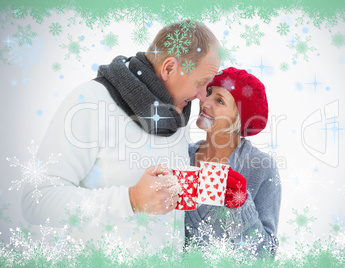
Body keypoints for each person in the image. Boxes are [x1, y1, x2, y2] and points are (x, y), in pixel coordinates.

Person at [21, 20, 221, 253]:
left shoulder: (174, 115)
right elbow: (37, 200)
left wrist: (211, 186)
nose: (201, 96)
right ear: (168, 68)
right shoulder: (90, 102)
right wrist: (131, 200)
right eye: (200, 83)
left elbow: (160, 198)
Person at [185, 67, 282, 257]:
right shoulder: (184, 155)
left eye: (219, 100)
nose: (204, 101)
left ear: (238, 118)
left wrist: (240, 206)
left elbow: (265, 256)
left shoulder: (261, 167)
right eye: (209, 92)